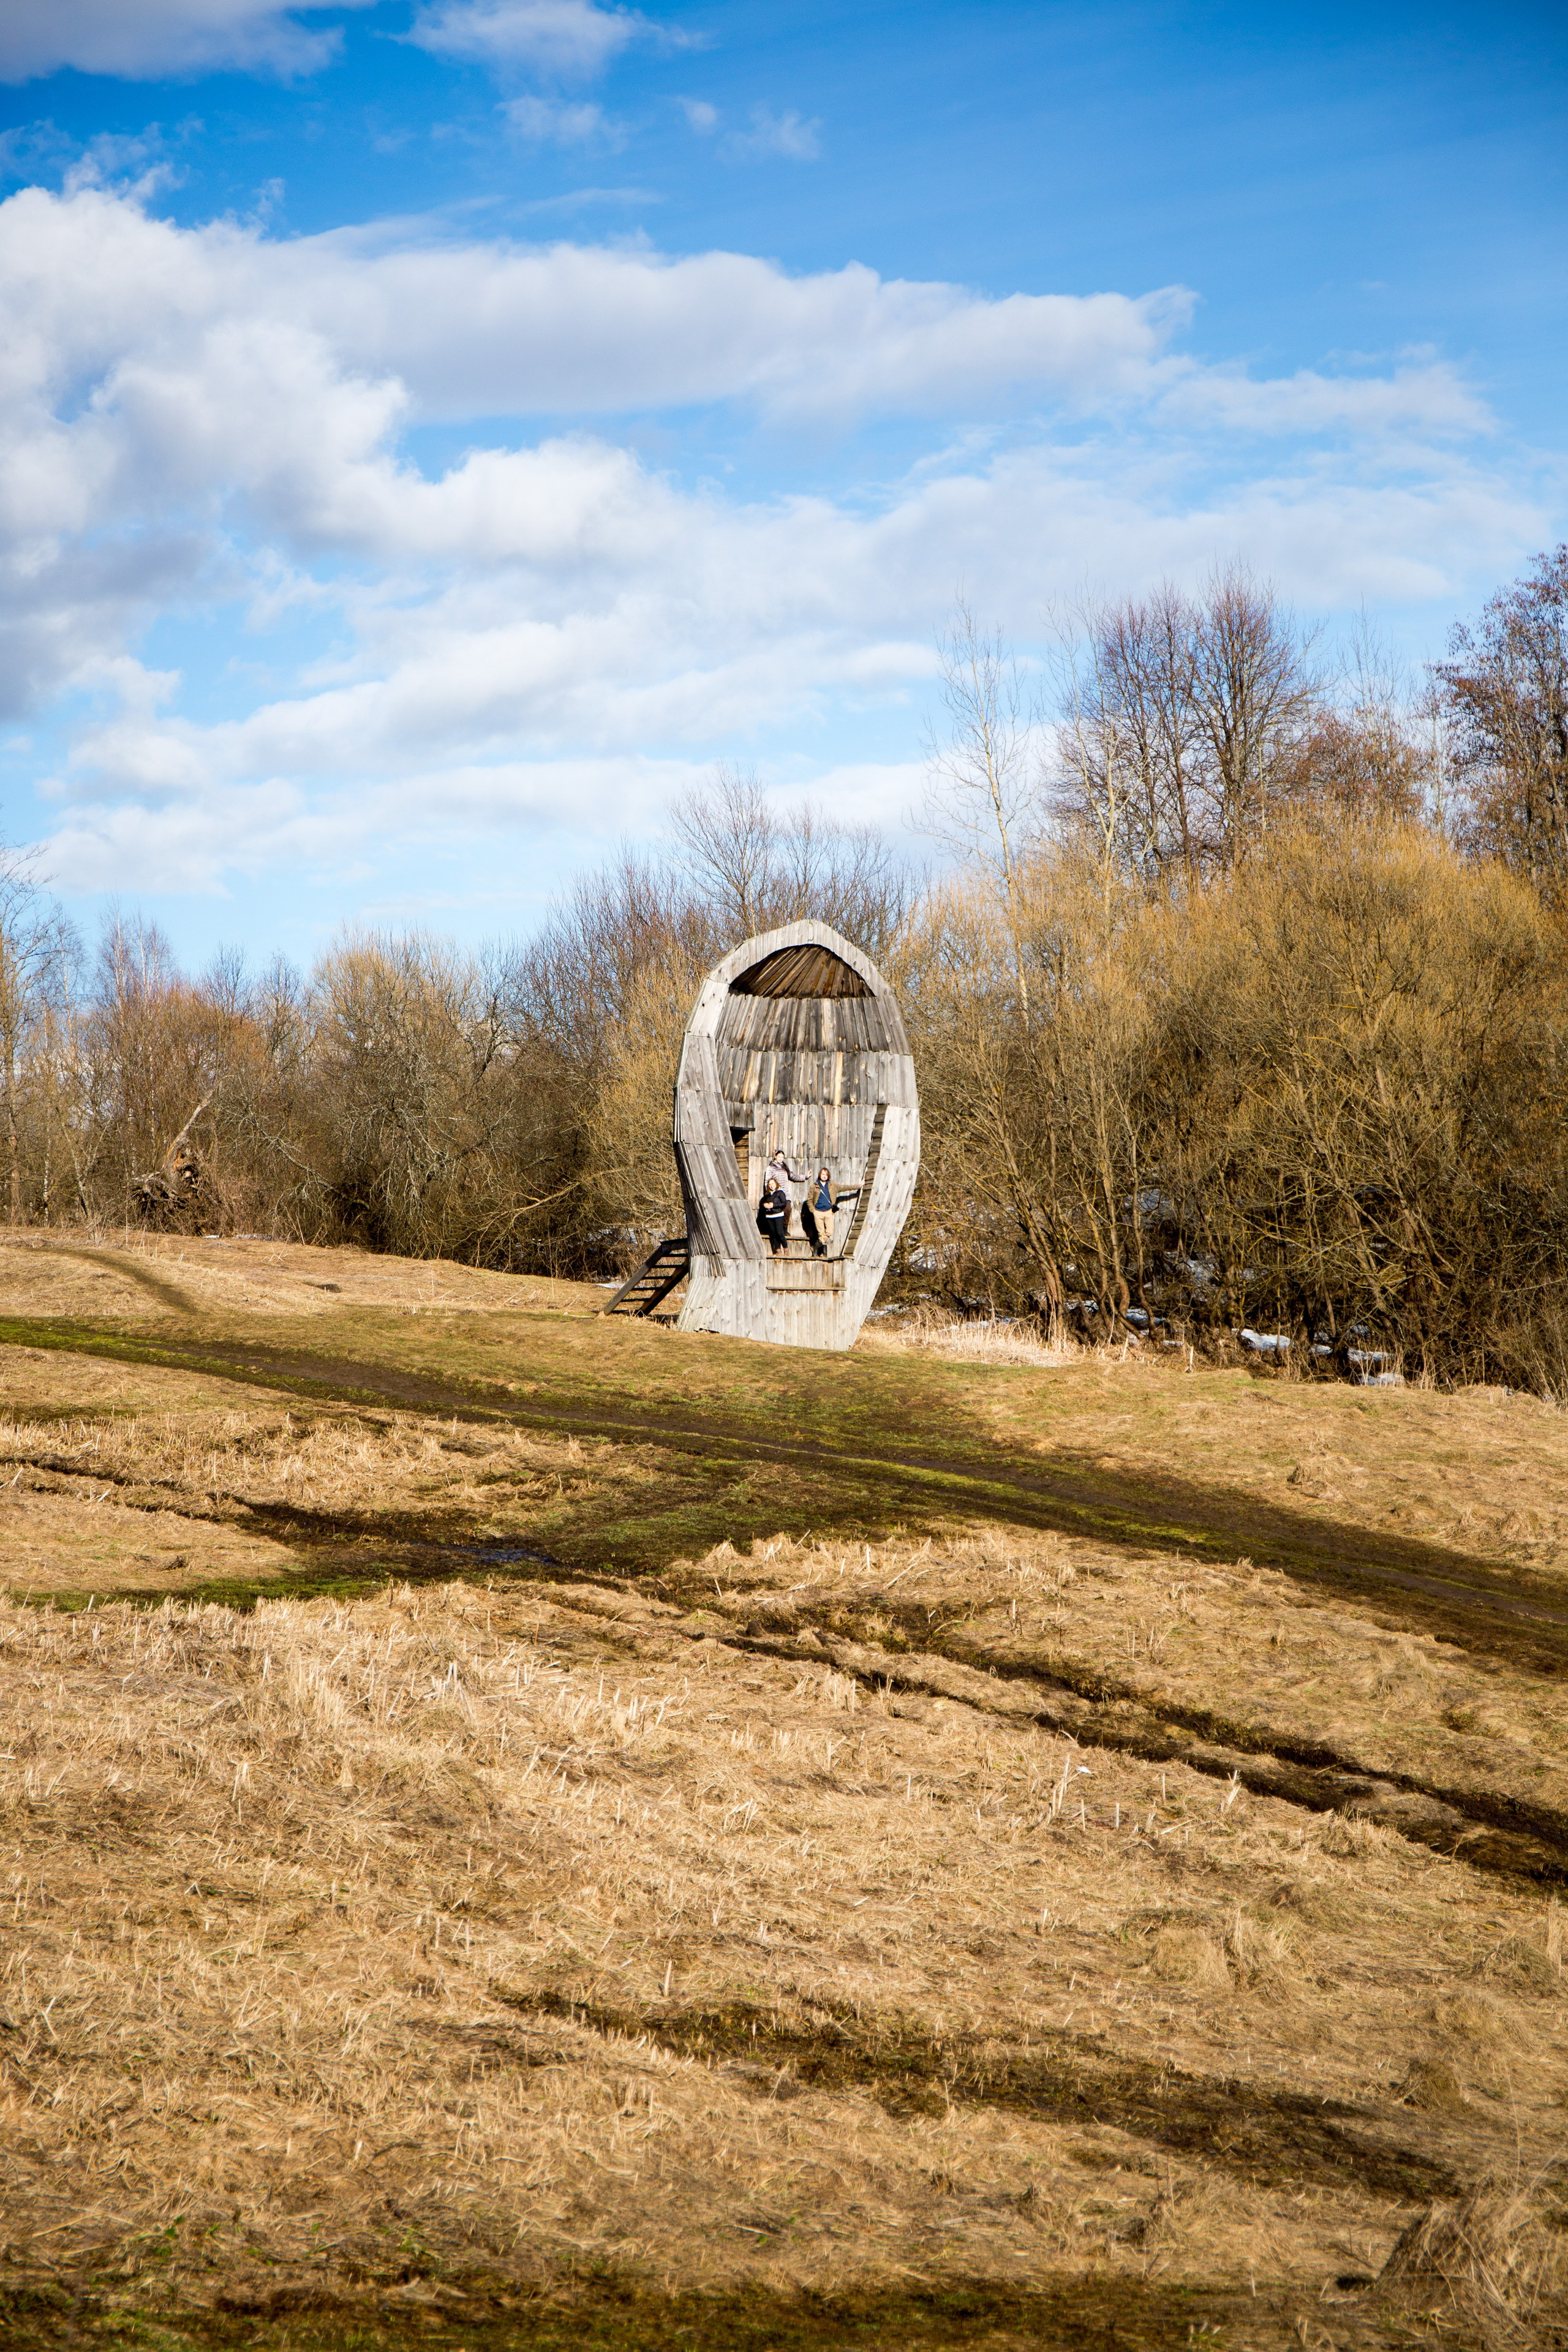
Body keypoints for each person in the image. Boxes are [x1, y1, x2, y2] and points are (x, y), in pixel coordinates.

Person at [802, 1166, 837, 1257]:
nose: (824, 1176)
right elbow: (809, 1200)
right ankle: (823, 1254)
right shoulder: (814, 1186)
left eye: (826, 1175)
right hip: (818, 1212)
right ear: (820, 1175)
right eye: (823, 1174)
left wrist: (859, 1186)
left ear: (828, 1176)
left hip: (828, 1212)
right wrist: (814, 1211)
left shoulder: (832, 1186)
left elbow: (845, 1187)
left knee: (829, 1232)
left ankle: (815, 1247)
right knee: (820, 1233)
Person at [758, 1176, 790, 1254]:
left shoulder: (780, 1193)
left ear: (776, 1184)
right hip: (769, 1216)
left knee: (779, 1233)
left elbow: (784, 1203)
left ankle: (786, 1249)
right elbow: (762, 1203)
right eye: (770, 1185)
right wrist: (764, 1205)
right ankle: (778, 1250)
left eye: (773, 1184)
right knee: (773, 1234)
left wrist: (774, 1205)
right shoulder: (767, 1196)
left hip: (778, 1215)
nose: (771, 1186)